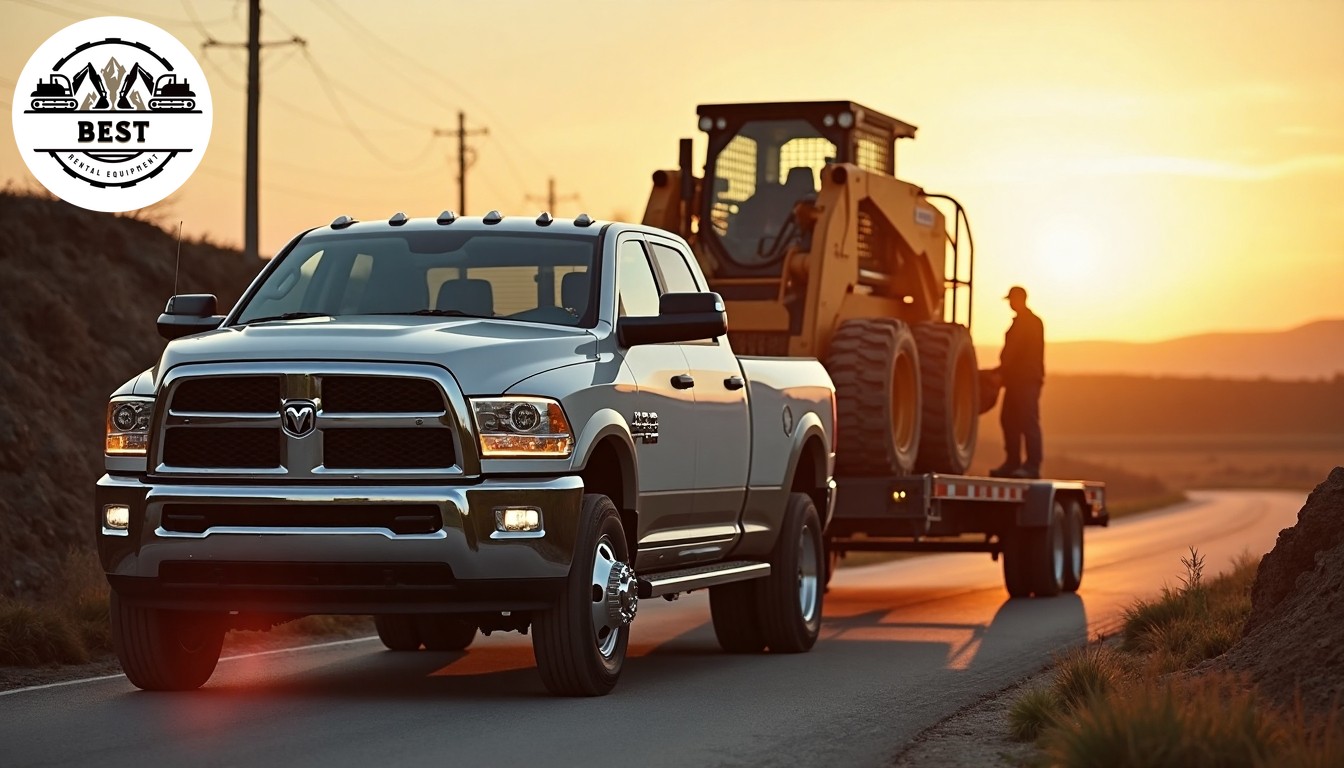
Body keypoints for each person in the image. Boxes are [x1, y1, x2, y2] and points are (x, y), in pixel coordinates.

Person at [990, 285, 1045, 479]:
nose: (1010, 304)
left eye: (1012, 300)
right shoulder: (1023, 322)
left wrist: (1000, 372)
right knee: (1009, 420)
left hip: (1026, 380)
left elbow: (1015, 351)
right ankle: (1013, 462)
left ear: (1020, 299)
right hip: (1015, 380)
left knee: (1028, 421)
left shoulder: (1029, 322)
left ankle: (1032, 466)